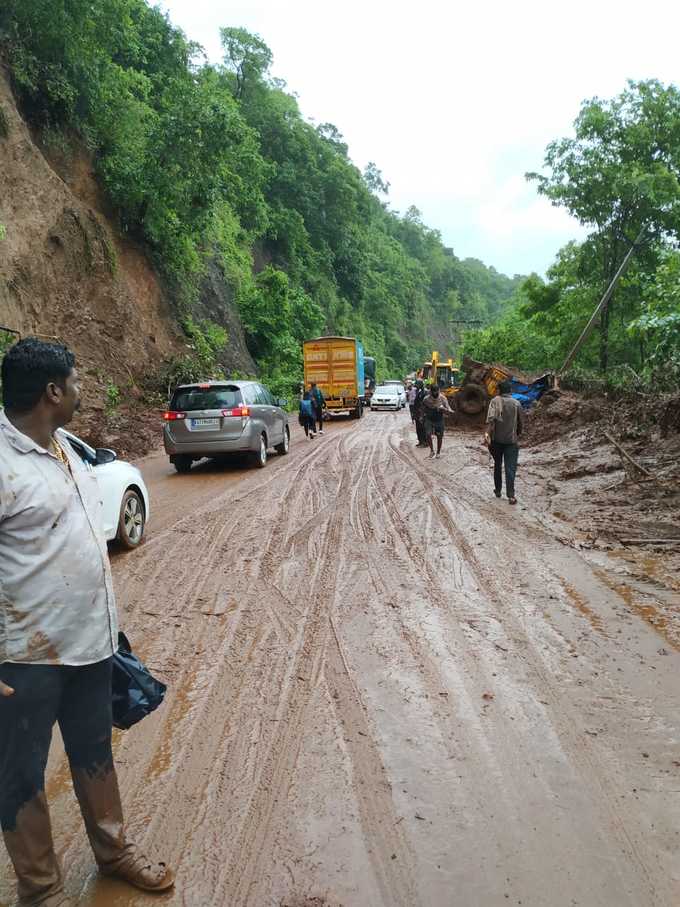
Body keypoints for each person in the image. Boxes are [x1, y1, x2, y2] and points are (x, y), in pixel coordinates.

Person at [0, 339, 174, 907]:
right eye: (75, 381)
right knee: (20, 775)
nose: (81, 389)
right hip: (23, 658)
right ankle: (42, 891)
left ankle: (114, 853)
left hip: (89, 645)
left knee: (94, 751)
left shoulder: (62, 447)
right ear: (53, 391)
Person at [485, 379, 523, 504]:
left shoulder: (495, 401)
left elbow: (491, 420)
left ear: (499, 390)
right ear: (510, 391)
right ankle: (511, 495)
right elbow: (520, 424)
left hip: (496, 441)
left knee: (497, 464)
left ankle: (498, 490)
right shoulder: (517, 404)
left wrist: (487, 435)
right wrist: (516, 435)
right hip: (511, 442)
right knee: (510, 468)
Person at [422, 382, 452, 458]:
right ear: (430, 392)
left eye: (437, 391)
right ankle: (432, 451)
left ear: (439, 390)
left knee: (439, 436)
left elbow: (448, 408)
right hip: (429, 419)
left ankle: (438, 452)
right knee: (428, 434)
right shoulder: (426, 399)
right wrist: (422, 416)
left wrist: (447, 410)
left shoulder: (443, 398)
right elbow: (422, 408)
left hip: (439, 419)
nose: (435, 393)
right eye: (433, 392)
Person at [413, 379, 427, 446]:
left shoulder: (425, 392)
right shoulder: (418, 392)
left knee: (423, 428)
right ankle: (420, 441)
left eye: (417, 385)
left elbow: (424, 404)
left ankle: (425, 442)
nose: (416, 386)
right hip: (417, 413)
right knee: (418, 428)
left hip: (422, 413)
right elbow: (415, 403)